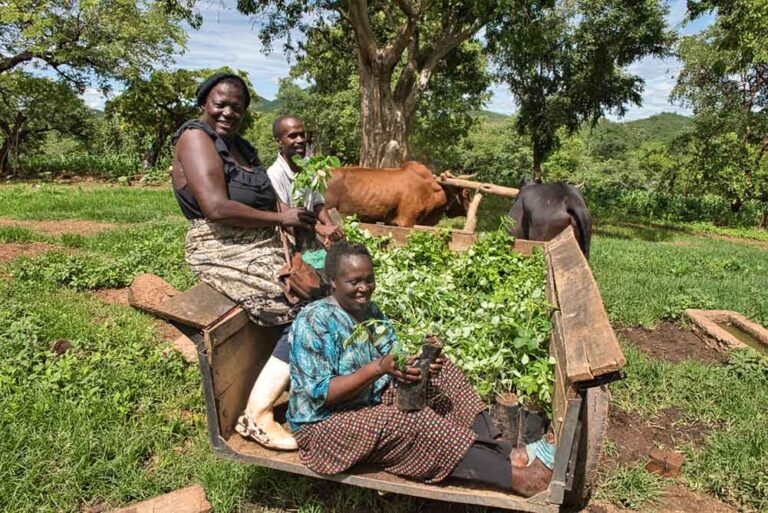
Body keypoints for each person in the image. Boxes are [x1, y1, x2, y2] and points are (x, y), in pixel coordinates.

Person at [287, 241, 555, 496]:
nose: (364, 288)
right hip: (324, 429)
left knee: (445, 374)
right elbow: (323, 394)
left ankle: (504, 453)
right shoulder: (314, 321)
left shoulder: (370, 312)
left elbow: (395, 356)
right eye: (354, 281)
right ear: (333, 282)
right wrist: (379, 367)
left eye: (369, 279)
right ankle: (517, 478)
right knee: (406, 419)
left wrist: (420, 366)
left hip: (370, 401)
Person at [171, 72, 314, 451]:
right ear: (204, 104)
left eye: (237, 106)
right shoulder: (195, 138)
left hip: (260, 240)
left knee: (320, 289)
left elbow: (272, 200)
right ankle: (257, 414)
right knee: (303, 309)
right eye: (220, 103)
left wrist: (291, 224)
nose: (228, 112)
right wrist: (280, 221)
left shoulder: (244, 148)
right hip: (219, 244)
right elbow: (216, 208)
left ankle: (309, 386)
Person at [267, 115, 344, 245]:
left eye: (302, 135)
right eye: (293, 136)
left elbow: (317, 203)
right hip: (290, 239)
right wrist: (319, 230)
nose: (301, 140)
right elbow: (286, 220)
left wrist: (330, 226)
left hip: (310, 234)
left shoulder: (307, 165)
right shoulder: (274, 174)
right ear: (278, 141)